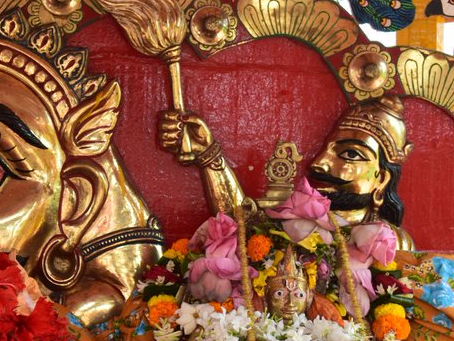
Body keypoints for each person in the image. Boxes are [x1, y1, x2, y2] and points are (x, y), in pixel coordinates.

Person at [157, 95, 414, 247]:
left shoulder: (395, 243)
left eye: (349, 154)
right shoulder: (297, 228)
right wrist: (208, 153)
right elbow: (241, 223)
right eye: (326, 150)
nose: (319, 164)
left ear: (382, 179)